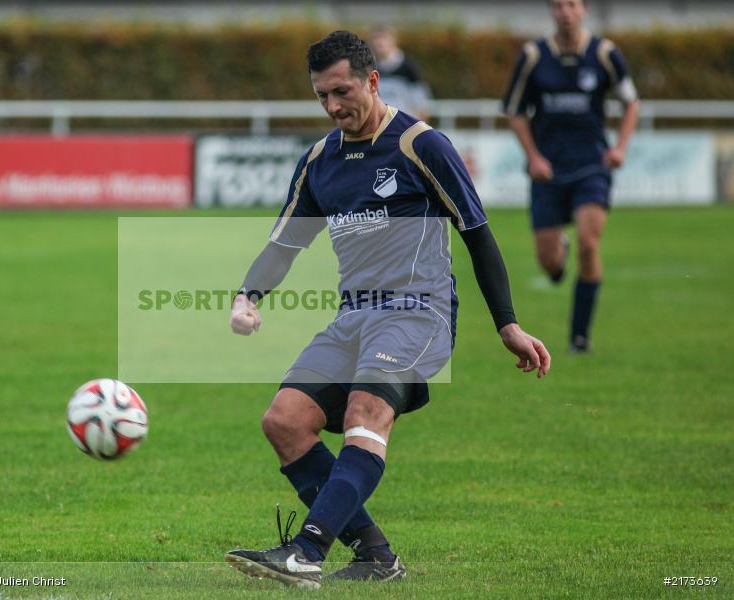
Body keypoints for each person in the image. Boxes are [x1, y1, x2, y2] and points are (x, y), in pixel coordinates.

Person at [225, 30, 551, 589]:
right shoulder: (320, 159)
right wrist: (246, 297)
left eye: (342, 91)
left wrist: (508, 324)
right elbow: (285, 244)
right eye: (322, 96)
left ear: (373, 81)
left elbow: (477, 235)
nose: (333, 107)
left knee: (365, 412)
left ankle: (305, 553)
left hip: (416, 313)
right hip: (353, 315)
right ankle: (376, 556)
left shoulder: (421, 145)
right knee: (284, 422)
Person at [502, 0, 639, 352]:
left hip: (591, 166)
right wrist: (532, 156)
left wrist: (620, 147)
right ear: (552, 11)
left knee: (589, 243)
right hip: (548, 170)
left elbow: (631, 102)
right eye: (558, 5)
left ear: (584, 10)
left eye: (571, 5)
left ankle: (580, 336)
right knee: (549, 264)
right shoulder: (533, 56)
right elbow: (515, 111)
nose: (565, 11)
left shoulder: (605, 54)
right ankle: (557, 251)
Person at [368, 24, 432, 122]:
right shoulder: (370, 67)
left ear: (393, 40)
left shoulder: (408, 67)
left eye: (383, 38)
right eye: (376, 38)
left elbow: (421, 106)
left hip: (404, 127)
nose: (379, 42)